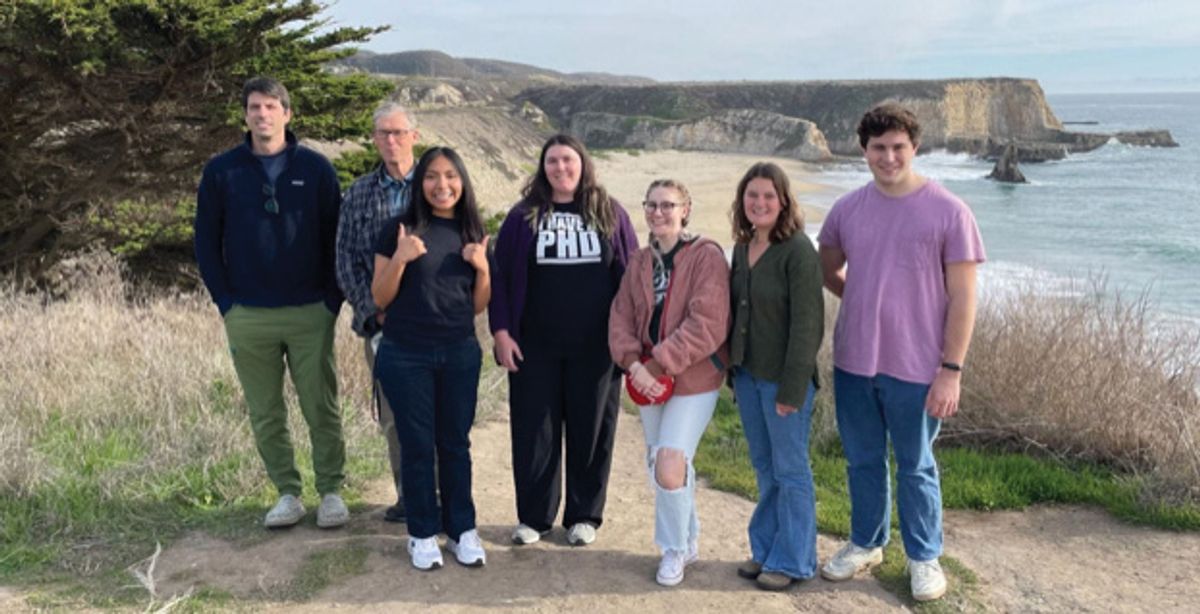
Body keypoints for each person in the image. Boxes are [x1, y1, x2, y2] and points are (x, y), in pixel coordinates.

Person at [816, 104, 985, 602]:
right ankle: (867, 543)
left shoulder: (950, 211)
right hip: (853, 361)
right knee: (862, 460)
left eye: (898, 147)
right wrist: (873, 303)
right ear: (864, 150)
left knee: (916, 464)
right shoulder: (847, 209)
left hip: (919, 365)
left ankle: (924, 556)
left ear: (914, 148)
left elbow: (964, 297)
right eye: (878, 148)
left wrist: (951, 370)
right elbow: (831, 271)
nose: (888, 157)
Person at [194, 77, 347, 529]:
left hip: (308, 312)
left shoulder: (317, 169)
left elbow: (336, 238)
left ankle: (332, 491)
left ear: (287, 113)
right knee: (265, 410)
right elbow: (206, 242)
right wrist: (227, 303)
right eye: (254, 107)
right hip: (248, 314)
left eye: (270, 106)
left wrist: (330, 302)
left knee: (321, 404)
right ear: (245, 115)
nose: (262, 114)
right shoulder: (222, 172)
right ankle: (287, 493)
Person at [489, 134, 638, 547]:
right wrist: (501, 332)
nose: (560, 168)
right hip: (534, 346)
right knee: (535, 431)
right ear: (543, 168)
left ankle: (584, 516)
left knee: (592, 431)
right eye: (552, 161)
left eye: (568, 160)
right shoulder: (523, 217)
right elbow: (499, 279)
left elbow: (631, 278)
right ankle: (534, 518)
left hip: (597, 349)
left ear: (582, 164)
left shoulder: (609, 213)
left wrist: (629, 340)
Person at [372, 147, 491, 570]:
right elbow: (379, 297)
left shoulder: (472, 229)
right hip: (405, 354)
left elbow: (477, 306)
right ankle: (422, 533)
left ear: (462, 181)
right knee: (418, 446)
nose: (442, 185)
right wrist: (401, 260)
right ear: (419, 182)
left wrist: (483, 268)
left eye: (450, 176)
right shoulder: (398, 229)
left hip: (459, 351)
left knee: (455, 444)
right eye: (432, 176)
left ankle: (462, 529)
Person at [609, 179, 730, 586]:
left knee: (670, 463)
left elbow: (707, 324)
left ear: (686, 209)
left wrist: (658, 364)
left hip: (694, 379)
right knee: (661, 464)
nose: (658, 213)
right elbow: (621, 316)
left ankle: (673, 550)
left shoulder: (706, 256)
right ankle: (689, 538)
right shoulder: (639, 261)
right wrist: (631, 362)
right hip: (646, 379)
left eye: (668, 205)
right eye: (651, 205)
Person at [727, 162, 824, 591]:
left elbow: (808, 326)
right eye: (752, 195)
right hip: (748, 378)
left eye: (768, 196)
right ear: (742, 201)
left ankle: (795, 560)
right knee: (765, 468)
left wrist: (792, 389)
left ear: (783, 201)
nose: (760, 203)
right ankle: (766, 549)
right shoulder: (741, 248)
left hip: (785, 383)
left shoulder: (798, 250)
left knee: (791, 471)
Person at [335, 101, 421, 524]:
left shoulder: (440, 184)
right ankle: (409, 497)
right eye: (383, 133)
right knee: (394, 416)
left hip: (435, 324)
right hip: (383, 327)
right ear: (374, 140)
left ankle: (442, 497)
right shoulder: (359, 193)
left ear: (414, 137)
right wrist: (373, 312)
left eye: (399, 132)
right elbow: (345, 259)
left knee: (439, 416)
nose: (391, 140)